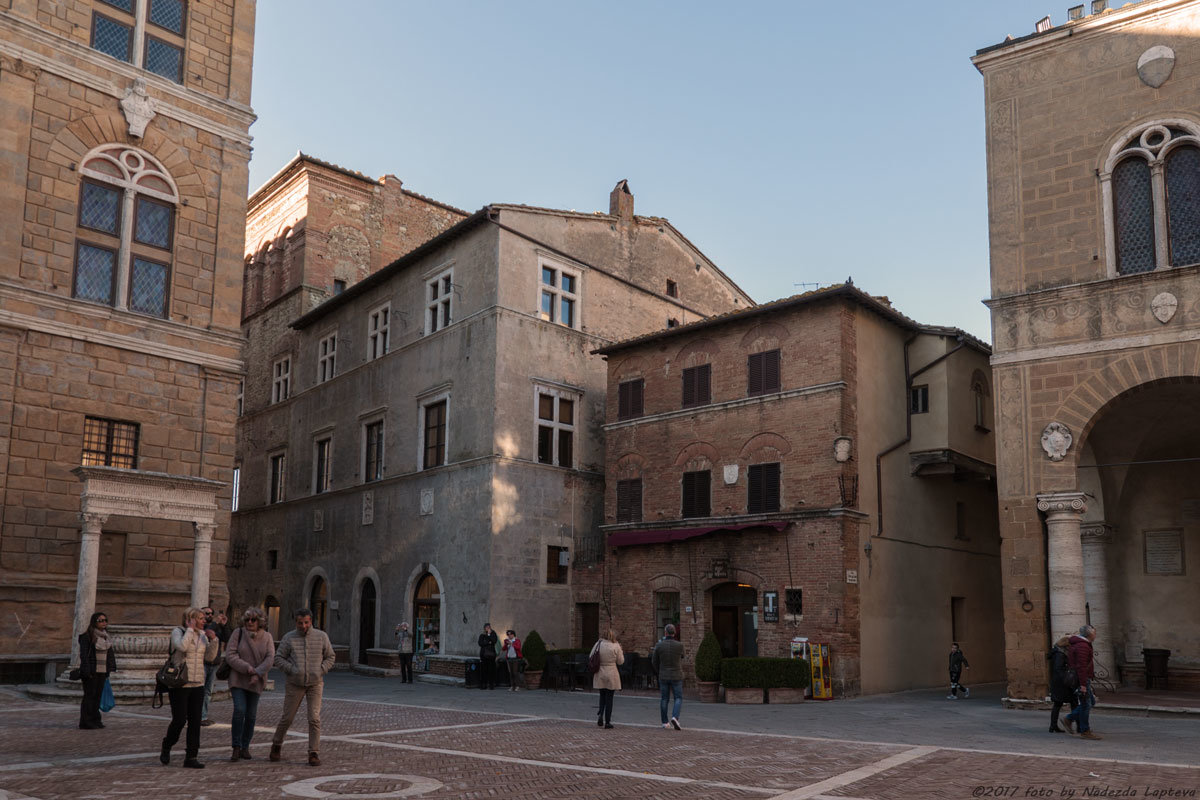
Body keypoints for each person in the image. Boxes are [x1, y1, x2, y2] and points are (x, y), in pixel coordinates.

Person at [270, 608, 335, 767]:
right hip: (294, 683)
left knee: (314, 718)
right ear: (296, 622)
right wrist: (291, 670)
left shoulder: (321, 636)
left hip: (315, 683)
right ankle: (277, 744)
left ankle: (314, 752)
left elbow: (330, 656)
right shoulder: (289, 638)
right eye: (300, 623)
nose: (303, 626)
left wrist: (321, 670)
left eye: (306, 622)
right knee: (287, 718)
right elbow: (278, 658)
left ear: (311, 621)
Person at [160, 607, 218, 768]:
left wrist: (214, 641)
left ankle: (191, 756)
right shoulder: (178, 632)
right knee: (179, 720)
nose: (204, 620)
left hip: (198, 683)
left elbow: (210, 657)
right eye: (200, 618)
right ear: (190, 619)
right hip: (180, 683)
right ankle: (167, 745)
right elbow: (182, 647)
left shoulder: (202, 635)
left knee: (195, 721)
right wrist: (190, 630)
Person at [223, 607, 274, 761]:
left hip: (256, 681)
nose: (250, 622)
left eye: (253, 620)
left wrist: (257, 673)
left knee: (251, 715)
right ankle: (236, 747)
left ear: (260, 621)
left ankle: (245, 746)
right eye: (247, 620)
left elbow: (270, 658)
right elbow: (230, 655)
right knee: (239, 710)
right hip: (238, 678)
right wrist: (248, 669)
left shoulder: (267, 637)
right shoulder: (238, 634)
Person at [77, 611, 116, 730]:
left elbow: (109, 654)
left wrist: (110, 668)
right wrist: (87, 670)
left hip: (102, 670)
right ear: (94, 622)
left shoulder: (106, 637)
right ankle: (86, 722)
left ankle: (96, 720)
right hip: (91, 671)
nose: (104, 622)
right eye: (101, 620)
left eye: (105, 620)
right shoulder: (87, 636)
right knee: (89, 696)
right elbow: (84, 655)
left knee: (98, 696)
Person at [1063, 625, 1101, 740]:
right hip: (1082, 679)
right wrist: (1083, 684)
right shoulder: (1082, 646)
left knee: (1090, 702)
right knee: (1086, 704)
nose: (1095, 635)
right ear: (1089, 634)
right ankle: (1084, 730)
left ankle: (1070, 719)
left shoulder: (1079, 644)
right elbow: (1081, 666)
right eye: (1094, 633)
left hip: (1082, 678)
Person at [200, 604, 230, 726]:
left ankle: (203, 715)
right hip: (203, 663)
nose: (210, 615)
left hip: (214, 664)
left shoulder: (216, 627)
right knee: (200, 691)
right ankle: (197, 715)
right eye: (207, 613)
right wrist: (216, 623)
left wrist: (224, 625)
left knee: (207, 691)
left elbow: (227, 638)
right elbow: (208, 632)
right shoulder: (202, 628)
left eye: (211, 613)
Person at [651, 623, 684, 730]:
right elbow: (682, 656)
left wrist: (659, 671)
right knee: (678, 698)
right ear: (674, 633)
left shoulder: (659, 645)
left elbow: (654, 661)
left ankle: (665, 722)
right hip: (676, 675)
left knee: (664, 699)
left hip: (663, 675)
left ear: (665, 632)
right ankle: (675, 717)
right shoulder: (680, 645)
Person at [592, 628, 624, 729]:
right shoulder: (616, 646)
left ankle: (600, 715)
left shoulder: (598, 644)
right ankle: (608, 721)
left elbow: (591, 656)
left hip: (600, 671)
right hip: (612, 672)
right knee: (609, 697)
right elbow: (620, 661)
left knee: (602, 695)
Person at [1047, 635, 1078, 733]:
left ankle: (1053, 726)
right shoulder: (1060, 654)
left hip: (1058, 682)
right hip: (1062, 683)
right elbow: (1059, 669)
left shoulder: (1057, 652)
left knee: (1058, 703)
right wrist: (1068, 679)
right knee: (1073, 702)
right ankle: (1078, 725)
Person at [477, 623, 499, 690]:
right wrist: (488, 642)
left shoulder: (493, 634)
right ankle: (484, 685)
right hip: (483, 655)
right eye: (486, 627)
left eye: (489, 627)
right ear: (484, 628)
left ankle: (491, 685)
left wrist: (489, 635)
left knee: (491, 670)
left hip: (491, 655)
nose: (488, 628)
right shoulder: (482, 635)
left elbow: (494, 641)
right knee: (484, 670)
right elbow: (480, 643)